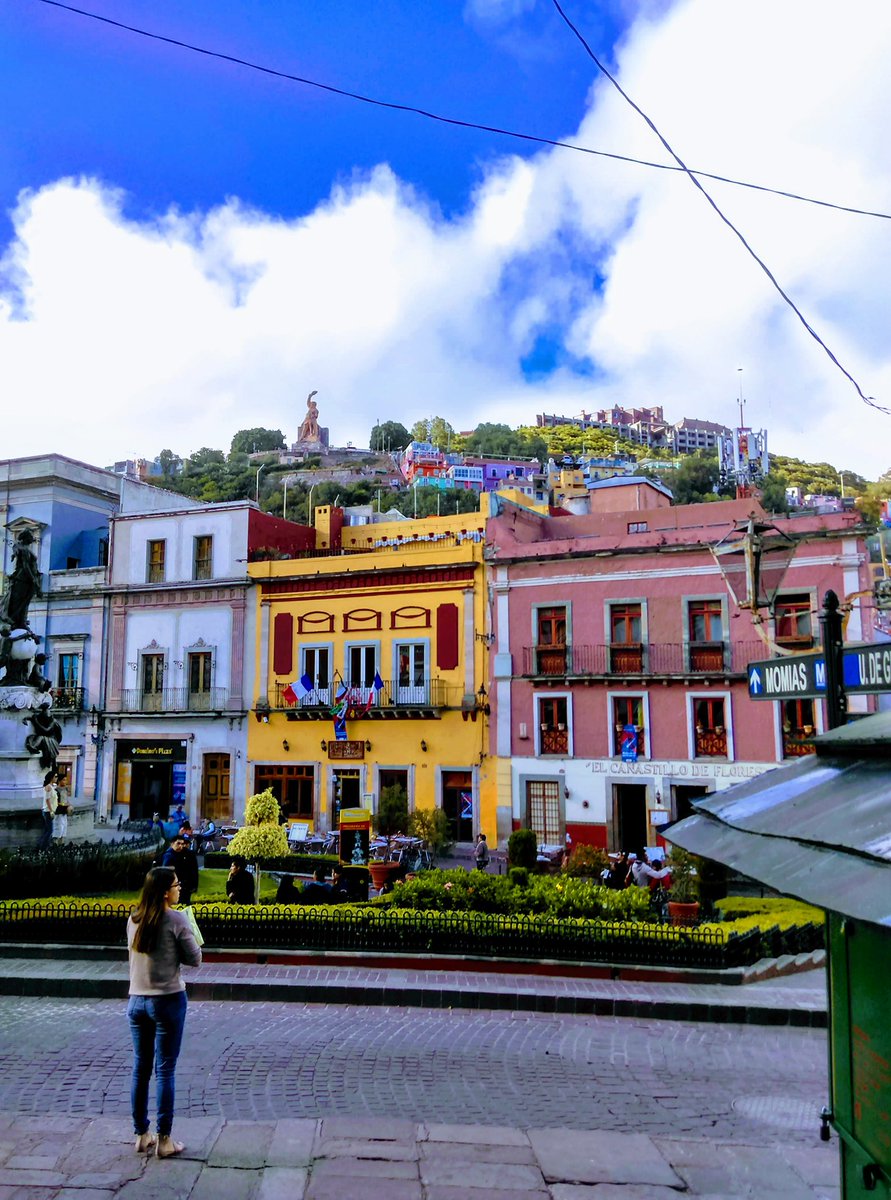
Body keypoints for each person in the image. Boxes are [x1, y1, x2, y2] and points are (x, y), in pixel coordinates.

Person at [127, 866, 201, 1159]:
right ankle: (165, 1138)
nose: (179, 887)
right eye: (176, 884)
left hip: (136, 1001)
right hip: (167, 999)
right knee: (165, 1069)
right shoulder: (176, 919)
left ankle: (141, 1133)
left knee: (140, 1068)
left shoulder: (134, 918)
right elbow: (195, 959)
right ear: (165, 892)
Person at [160, 836, 199, 906]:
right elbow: (165, 872)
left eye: (182, 844)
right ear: (172, 843)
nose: (180, 846)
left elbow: (193, 870)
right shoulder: (168, 855)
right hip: (173, 886)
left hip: (185, 886)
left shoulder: (186, 854)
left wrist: (193, 885)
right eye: (178, 843)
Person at [38, 770, 57, 850]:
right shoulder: (48, 787)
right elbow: (47, 799)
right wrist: (51, 810)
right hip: (48, 811)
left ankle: (44, 846)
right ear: (51, 777)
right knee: (49, 830)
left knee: (47, 830)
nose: (56, 778)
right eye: (55, 776)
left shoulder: (51, 786)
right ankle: (42, 847)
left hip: (49, 811)